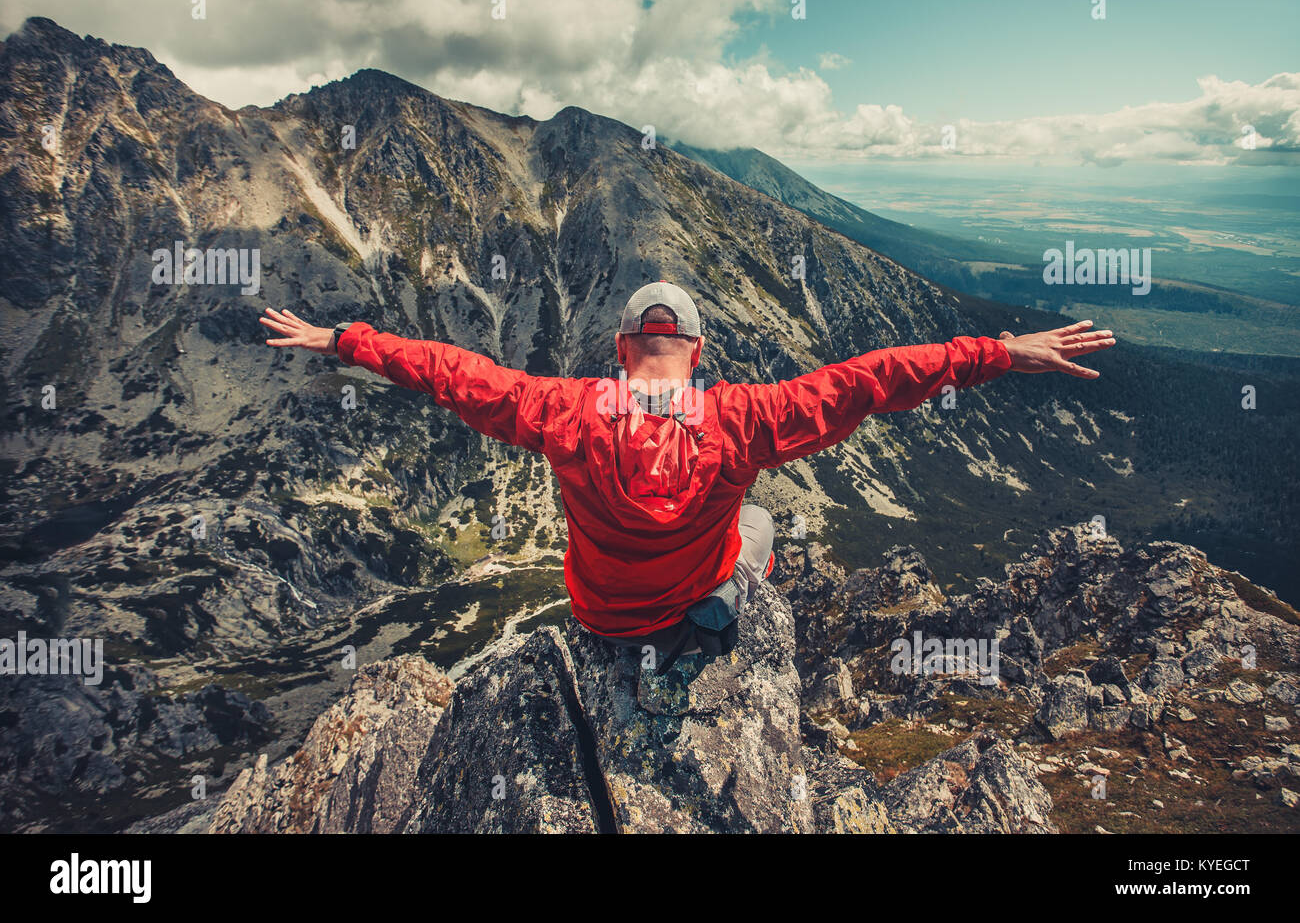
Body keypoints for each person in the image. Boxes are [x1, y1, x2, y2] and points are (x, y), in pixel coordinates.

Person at [261, 281, 1113, 671]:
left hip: (599, 620)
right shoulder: (744, 419)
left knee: (748, 528)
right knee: (765, 527)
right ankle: (709, 618)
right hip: (681, 604)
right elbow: (872, 379)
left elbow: (451, 371)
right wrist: (999, 353)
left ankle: (669, 624)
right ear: (698, 352)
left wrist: (344, 340)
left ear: (622, 349)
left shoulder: (565, 411)